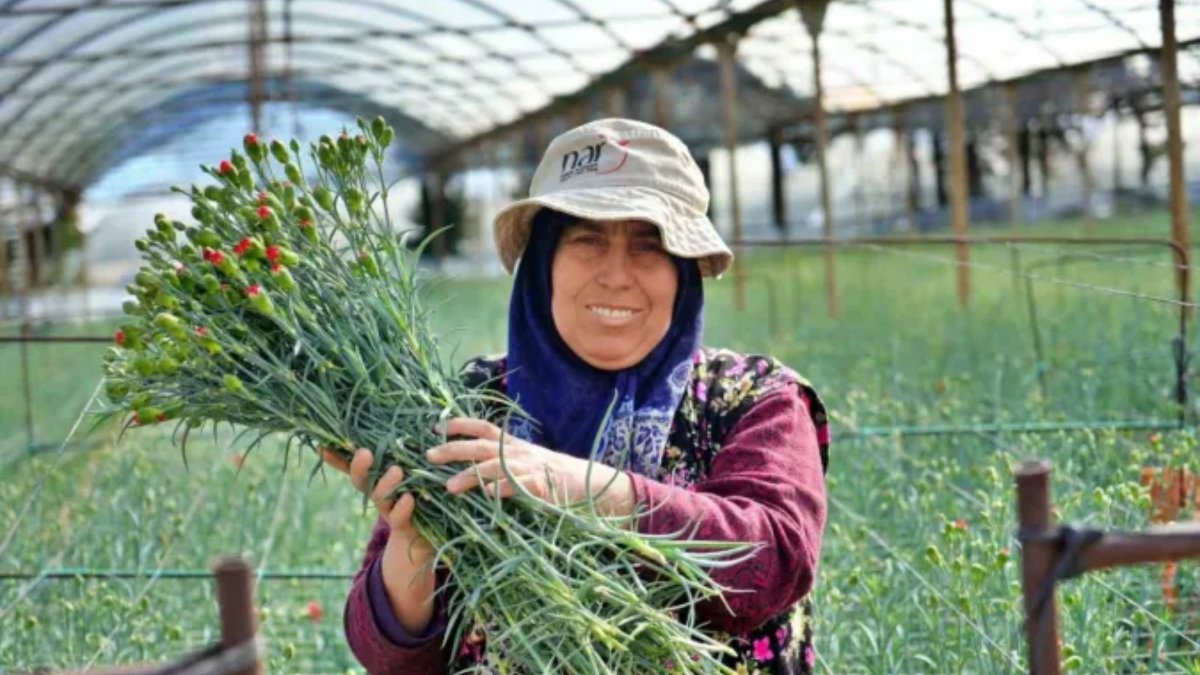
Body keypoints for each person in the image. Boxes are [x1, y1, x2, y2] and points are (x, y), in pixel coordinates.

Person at [320, 118, 829, 674]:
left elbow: (776, 556)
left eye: (649, 245)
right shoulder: (471, 406)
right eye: (587, 239)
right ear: (544, 265)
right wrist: (415, 542)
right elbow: (388, 656)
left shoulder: (754, 399)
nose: (616, 275)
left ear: (684, 273)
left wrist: (579, 486)